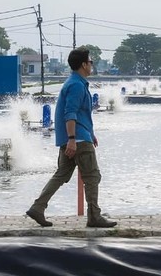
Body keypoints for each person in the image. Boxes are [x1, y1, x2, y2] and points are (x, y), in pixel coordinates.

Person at [26, 48, 117, 228]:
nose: (92, 65)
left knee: (60, 175)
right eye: (90, 62)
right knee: (92, 177)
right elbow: (70, 113)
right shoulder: (76, 85)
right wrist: (73, 139)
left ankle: (37, 207)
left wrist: (90, 134)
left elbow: (81, 114)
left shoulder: (75, 82)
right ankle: (94, 217)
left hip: (76, 137)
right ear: (83, 64)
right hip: (78, 140)